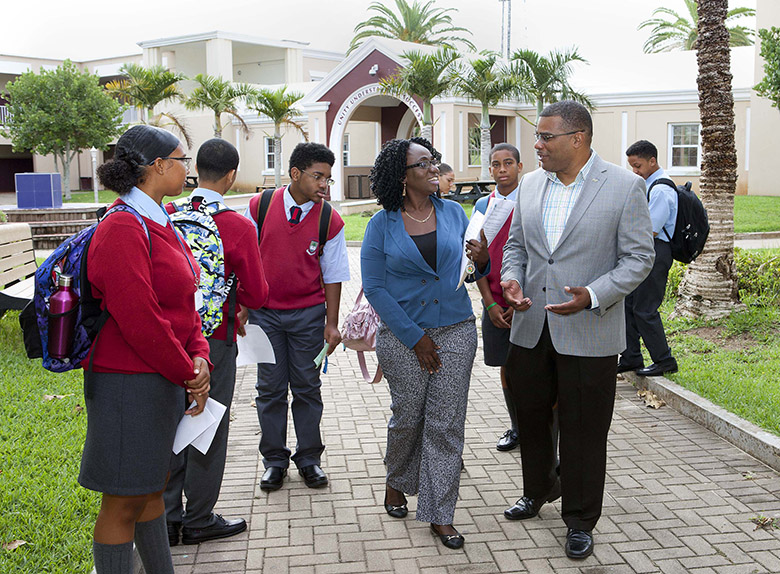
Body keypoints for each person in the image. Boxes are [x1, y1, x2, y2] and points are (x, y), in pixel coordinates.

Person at [500, 101, 654, 560]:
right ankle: (539, 488)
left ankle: (581, 518)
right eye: (538, 136)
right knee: (529, 415)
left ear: (578, 138)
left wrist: (593, 294)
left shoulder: (624, 186)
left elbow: (639, 258)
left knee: (584, 428)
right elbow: (517, 245)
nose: (538, 144)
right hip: (531, 325)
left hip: (590, 328)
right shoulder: (529, 184)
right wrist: (511, 277)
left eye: (546, 137)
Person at [81, 124, 212, 574]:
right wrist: (188, 371)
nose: (187, 169)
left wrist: (200, 356)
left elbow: (185, 300)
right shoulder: (122, 226)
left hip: (160, 376)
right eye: (182, 160)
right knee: (122, 500)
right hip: (126, 384)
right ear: (158, 166)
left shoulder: (160, 218)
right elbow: (139, 318)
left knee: (152, 488)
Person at [361, 137, 490, 551]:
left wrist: (482, 261)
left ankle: (439, 513)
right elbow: (375, 288)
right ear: (402, 176)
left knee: (446, 423)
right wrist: (415, 338)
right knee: (408, 417)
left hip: (455, 328)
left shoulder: (454, 212)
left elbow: (467, 271)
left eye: (434, 161)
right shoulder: (382, 224)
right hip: (403, 336)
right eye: (423, 163)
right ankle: (397, 480)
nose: (434, 168)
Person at [164, 139, 269, 545]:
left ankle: (168, 517)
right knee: (208, 423)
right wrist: (238, 300)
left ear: (195, 172)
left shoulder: (168, 213)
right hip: (214, 338)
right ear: (230, 175)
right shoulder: (238, 225)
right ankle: (199, 517)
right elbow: (258, 295)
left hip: (168, 336)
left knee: (172, 419)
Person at [246, 142, 349, 491]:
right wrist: (244, 306)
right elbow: (243, 262)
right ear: (295, 174)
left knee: (307, 387)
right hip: (264, 317)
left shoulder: (329, 219)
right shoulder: (258, 207)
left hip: (307, 316)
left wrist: (331, 323)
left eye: (328, 178)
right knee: (270, 390)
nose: (324, 185)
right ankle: (274, 460)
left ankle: (309, 459)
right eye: (317, 176)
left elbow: (333, 274)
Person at [473, 143, 522, 451]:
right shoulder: (482, 206)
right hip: (494, 304)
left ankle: (538, 429)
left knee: (532, 368)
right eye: (496, 164)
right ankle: (517, 427)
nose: (502, 169)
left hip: (525, 303)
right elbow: (474, 259)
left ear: (519, 166)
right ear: (489, 169)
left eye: (508, 163)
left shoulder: (531, 202)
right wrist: (489, 303)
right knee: (506, 366)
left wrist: (519, 303)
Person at [622, 140, 679, 377]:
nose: (635, 171)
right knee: (629, 305)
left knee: (645, 309)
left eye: (638, 165)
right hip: (644, 251)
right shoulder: (648, 185)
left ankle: (664, 360)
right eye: (632, 166)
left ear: (652, 161)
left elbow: (651, 230)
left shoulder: (661, 189)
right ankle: (631, 357)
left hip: (656, 252)